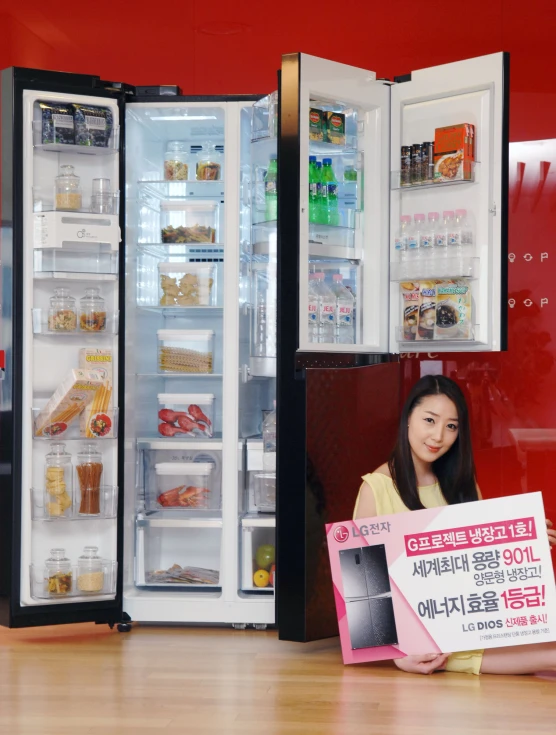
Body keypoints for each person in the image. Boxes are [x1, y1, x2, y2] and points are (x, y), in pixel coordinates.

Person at [353, 374, 556, 676]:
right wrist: (399, 656)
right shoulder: (375, 489)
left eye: (451, 426)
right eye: (430, 420)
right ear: (408, 418)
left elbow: (481, 563)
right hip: (434, 645)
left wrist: (524, 539)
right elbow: (362, 597)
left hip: (480, 624)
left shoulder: (460, 484)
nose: (438, 437)